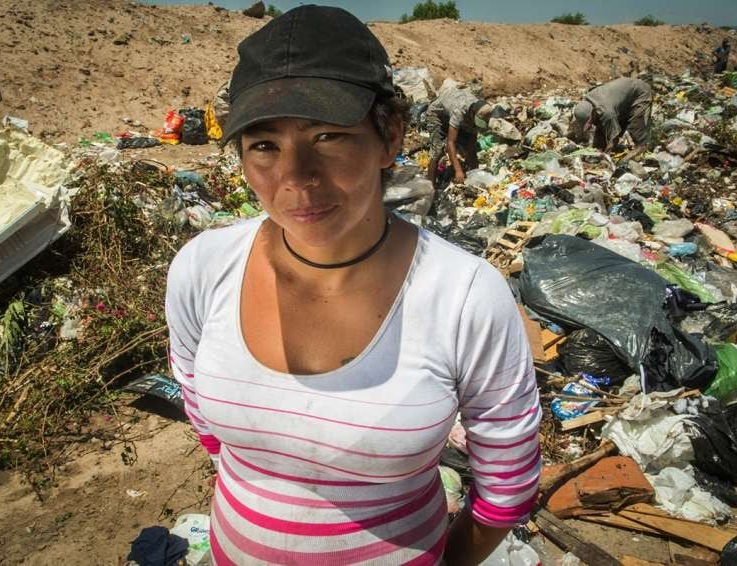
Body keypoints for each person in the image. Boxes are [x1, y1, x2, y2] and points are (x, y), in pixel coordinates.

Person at [165, 5, 541, 565]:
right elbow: (209, 427)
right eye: (264, 145)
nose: (295, 177)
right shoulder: (203, 269)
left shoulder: (463, 296)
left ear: (389, 137)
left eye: (329, 136)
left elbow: (507, 490)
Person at [569, 77, 652, 162]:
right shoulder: (588, 100)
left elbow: (614, 138)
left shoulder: (606, 112)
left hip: (639, 93)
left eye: (590, 121)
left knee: (636, 129)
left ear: (593, 112)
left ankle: (639, 148)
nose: (591, 125)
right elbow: (601, 124)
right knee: (601, 137)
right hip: (622, 98)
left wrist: (605, 158)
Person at [425, 85, 492, 186]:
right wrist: (458, 170)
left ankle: (474, 180)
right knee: (437, 151)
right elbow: (450, 143)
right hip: (437, 116)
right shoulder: (459, 111)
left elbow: (472, 142)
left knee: (471, 149)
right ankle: (430, 187)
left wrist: (475, 170)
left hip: (454, 117)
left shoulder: (478, 110)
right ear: (472, 114)